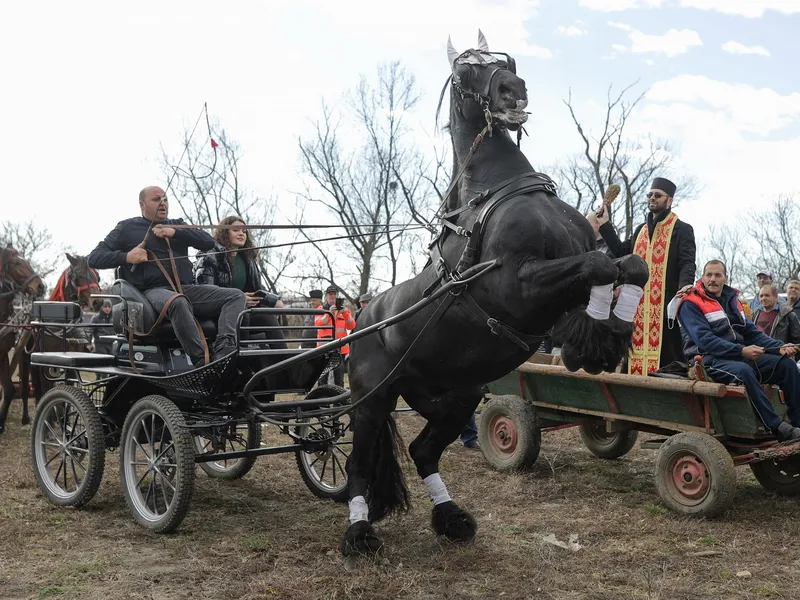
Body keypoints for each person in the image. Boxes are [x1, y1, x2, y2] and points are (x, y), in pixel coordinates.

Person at [87, 186, 246, 366]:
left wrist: (176, 231)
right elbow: (94, 258)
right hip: (150, 293)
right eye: (156, 199)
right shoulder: (127, 227)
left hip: (187, 289)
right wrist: (127, 257)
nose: (163, 203)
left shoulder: (177, 224)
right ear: (142, 204)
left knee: (235, 296)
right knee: (176, 302)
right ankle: (203, 363)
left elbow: (208, 241)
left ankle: (224, 350)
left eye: (165, 199)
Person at [677, 260, 800, 441]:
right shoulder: (691, 303)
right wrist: (742, 351)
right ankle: (777, 427)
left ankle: (797, 423)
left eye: (718, 275)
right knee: (744, 371)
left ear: (725, 278)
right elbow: (705, 341)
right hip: (706, 359)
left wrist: (778, 347)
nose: (713, 279)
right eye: (709, 274)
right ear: (702, 278)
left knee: (787, 365)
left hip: (737, 355)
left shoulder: (733, 301)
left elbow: (751, 332)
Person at [589, 177, 696, 375]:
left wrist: (685, 286)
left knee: (668, 357)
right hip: (638, 307)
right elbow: (622, 252)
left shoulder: (682, 229)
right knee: (632, 353)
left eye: (657, 195)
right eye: (650, 194)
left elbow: (687, 262)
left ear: (669, 200)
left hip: (665, 306)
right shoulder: (640, 230)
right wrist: (604, 224)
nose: (652, 198)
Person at [193, 216, 285, 347]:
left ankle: (286, 363)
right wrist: (240, 298)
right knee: (243, 315)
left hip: (244, 309)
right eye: (236, 230)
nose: (241, 233)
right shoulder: (209, 254)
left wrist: (273, 300)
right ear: (225, 232)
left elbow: (257, 288)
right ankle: (241, 358)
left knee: (268, 316)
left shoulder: (248, 259)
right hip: (218, 311)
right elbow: (205, 290)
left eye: (244, 231)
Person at [315, 286, 356, 388]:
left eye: (334, 294)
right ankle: (323, 402)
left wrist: (346, 313)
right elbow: (318, 324)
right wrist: (329, 314)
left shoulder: (345, 311)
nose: (333, 296)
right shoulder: (320, 310)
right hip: (324, 349)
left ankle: (339, 402)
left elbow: (352, 326)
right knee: (323, 378)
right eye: (330, 294)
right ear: (326, 296)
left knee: (339, 379)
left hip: (340, 349)